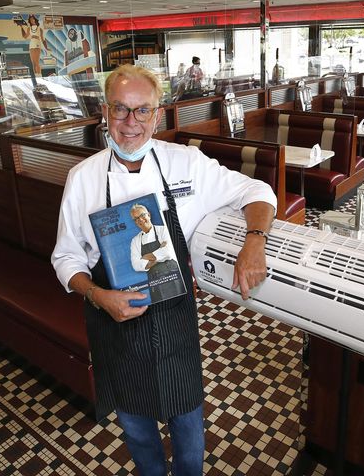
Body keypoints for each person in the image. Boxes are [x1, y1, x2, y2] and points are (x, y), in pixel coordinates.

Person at [51, 64, 275, 476]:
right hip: (115, 325)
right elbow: (66, 257)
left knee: (189, 432)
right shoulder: (82, 179)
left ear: (158, 115)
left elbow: (256, 191)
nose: (130, 122)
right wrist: (98, 296)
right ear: (105, 112)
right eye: (120, 109)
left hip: (175, 325)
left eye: (142, 111)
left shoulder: (186, 164)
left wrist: (254, 242)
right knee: (137, 432)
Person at [128, 203, 184, 303]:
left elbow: (168, 252)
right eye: (136, 218)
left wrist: (145, 257)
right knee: (161, 308)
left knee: (178, 304)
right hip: (154, 280)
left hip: (171, 274)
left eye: (142, 215)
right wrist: (159, 253)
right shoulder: (135, 241)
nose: (140, 219)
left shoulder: (163, 230)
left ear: (148, 215)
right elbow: (136, 265)